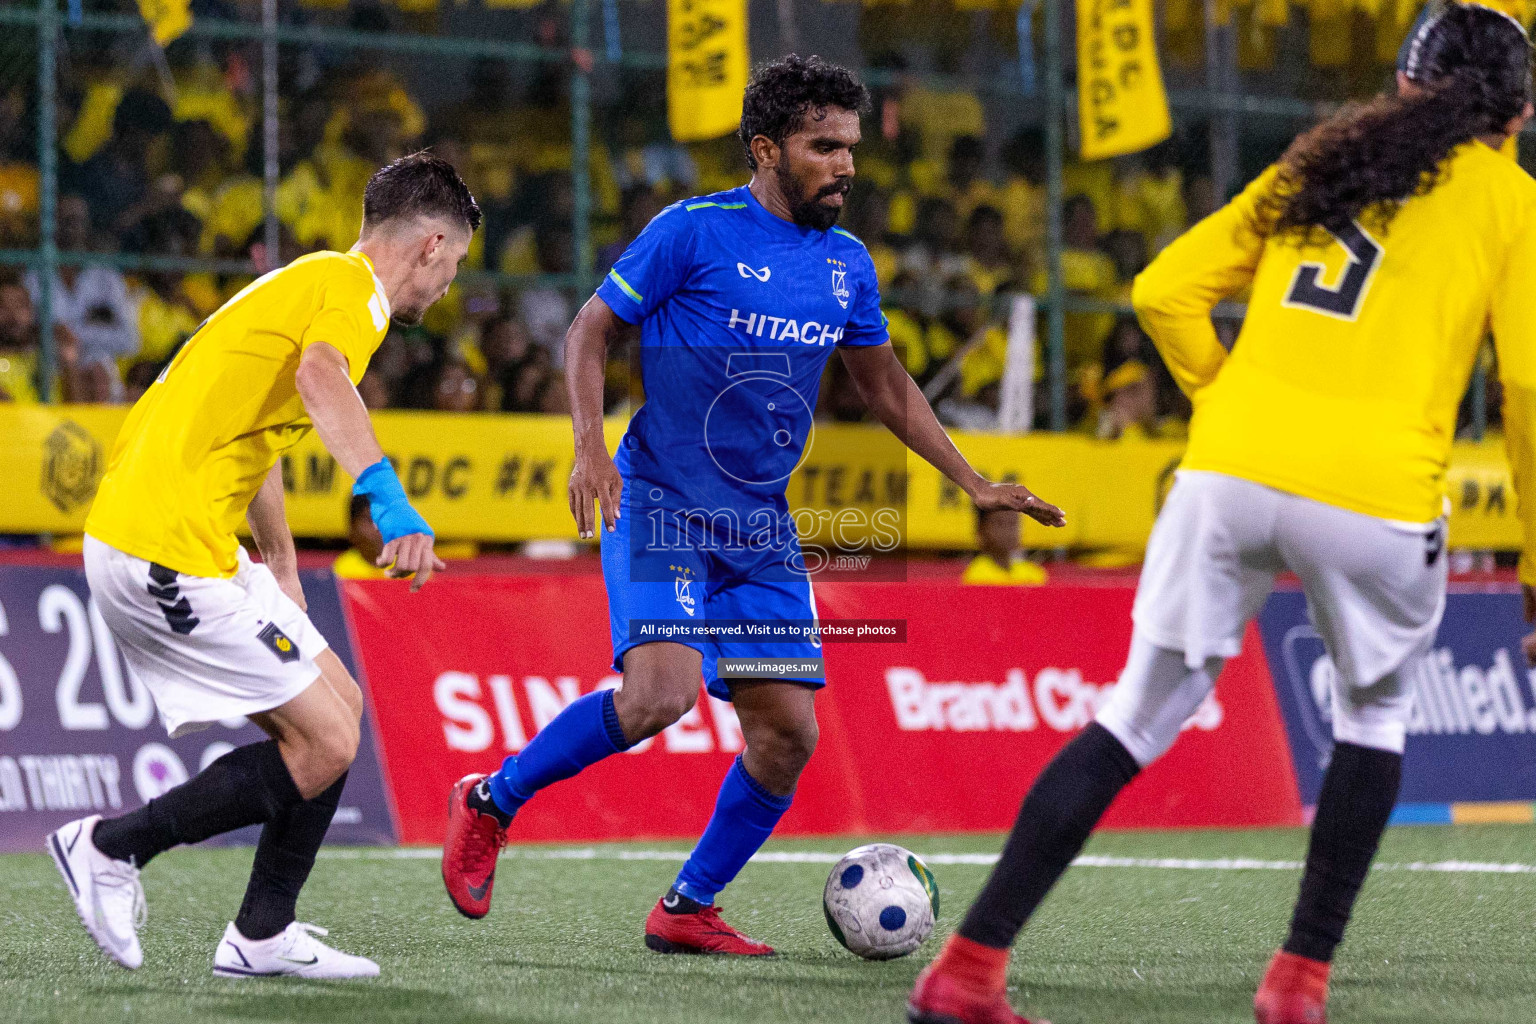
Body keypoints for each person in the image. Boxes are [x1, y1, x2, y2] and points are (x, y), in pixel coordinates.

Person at [908, 7, 1536, 1023]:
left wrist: (1227, 400)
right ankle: (1298, 981)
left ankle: (967, 968)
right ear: (1520, 114)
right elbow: (1530, 397)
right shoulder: (1513, 202)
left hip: (1226, 470)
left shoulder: (1320, 157)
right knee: (1372, 720)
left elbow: (1162, 291)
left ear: (1403, 84)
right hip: (1377, 498)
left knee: (1129, 718)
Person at [440, 54, 1065, 955]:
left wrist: (972, 482)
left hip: (760, 525)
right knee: (660, 695)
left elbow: (884, 385)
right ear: (767, 149)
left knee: (787, 737)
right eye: (825, 146)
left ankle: (687, 908)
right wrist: (587, 446)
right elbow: (590, 329)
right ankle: (489, 802)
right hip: (659, 499)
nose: (846, 164)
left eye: (851, 146)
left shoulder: (848, 264)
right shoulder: (691, 231)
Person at [48, 152, 478, 980]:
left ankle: (262, 934)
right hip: (158, 546)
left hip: (201, 538)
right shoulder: (355, 297)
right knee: (321, 742)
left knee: (340, 712)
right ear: (429, 245)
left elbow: (264, 423)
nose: (447, 286)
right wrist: (387, 500)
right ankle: (107, 848)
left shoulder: (313, 281)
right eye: (453, 265)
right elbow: (319, 381)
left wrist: (280, 557)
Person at [962, 506, 1047, 586]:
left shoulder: (1034, 574)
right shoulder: (976, 576)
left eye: (1013, 523)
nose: (1007, 531)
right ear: (981, 529)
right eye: (999, 523)